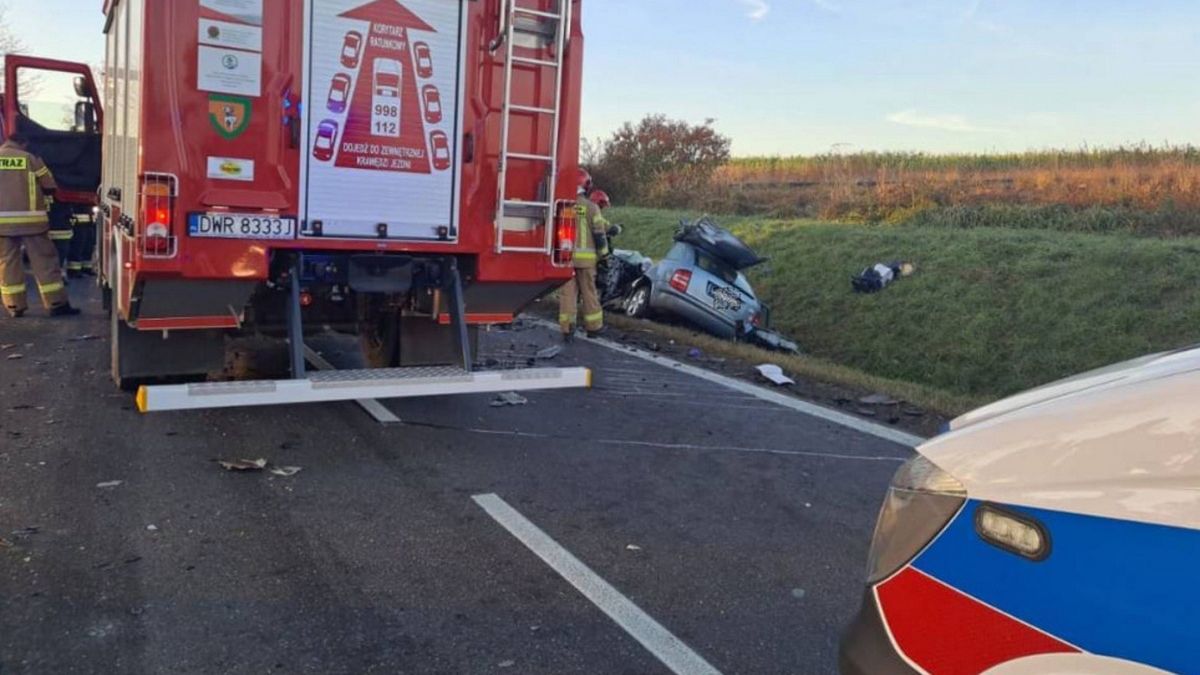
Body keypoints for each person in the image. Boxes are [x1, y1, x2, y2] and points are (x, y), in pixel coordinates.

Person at [0, 133, 79, 318]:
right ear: (23, 142)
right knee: (45, 261)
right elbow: (49, 185)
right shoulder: (30, 158)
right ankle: (56, 304)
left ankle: (14, 306)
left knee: (7, 263)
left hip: (1, 224)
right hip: (31, 222)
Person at [558, 169, 610, 341]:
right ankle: (593, 328)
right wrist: (604, 256)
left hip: (565, 259)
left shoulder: (564, 204)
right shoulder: (591, 207)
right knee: (589, 293)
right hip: (587, 262)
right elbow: (599, 235)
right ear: (585, 185)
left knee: (568, 295)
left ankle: (567, 329)